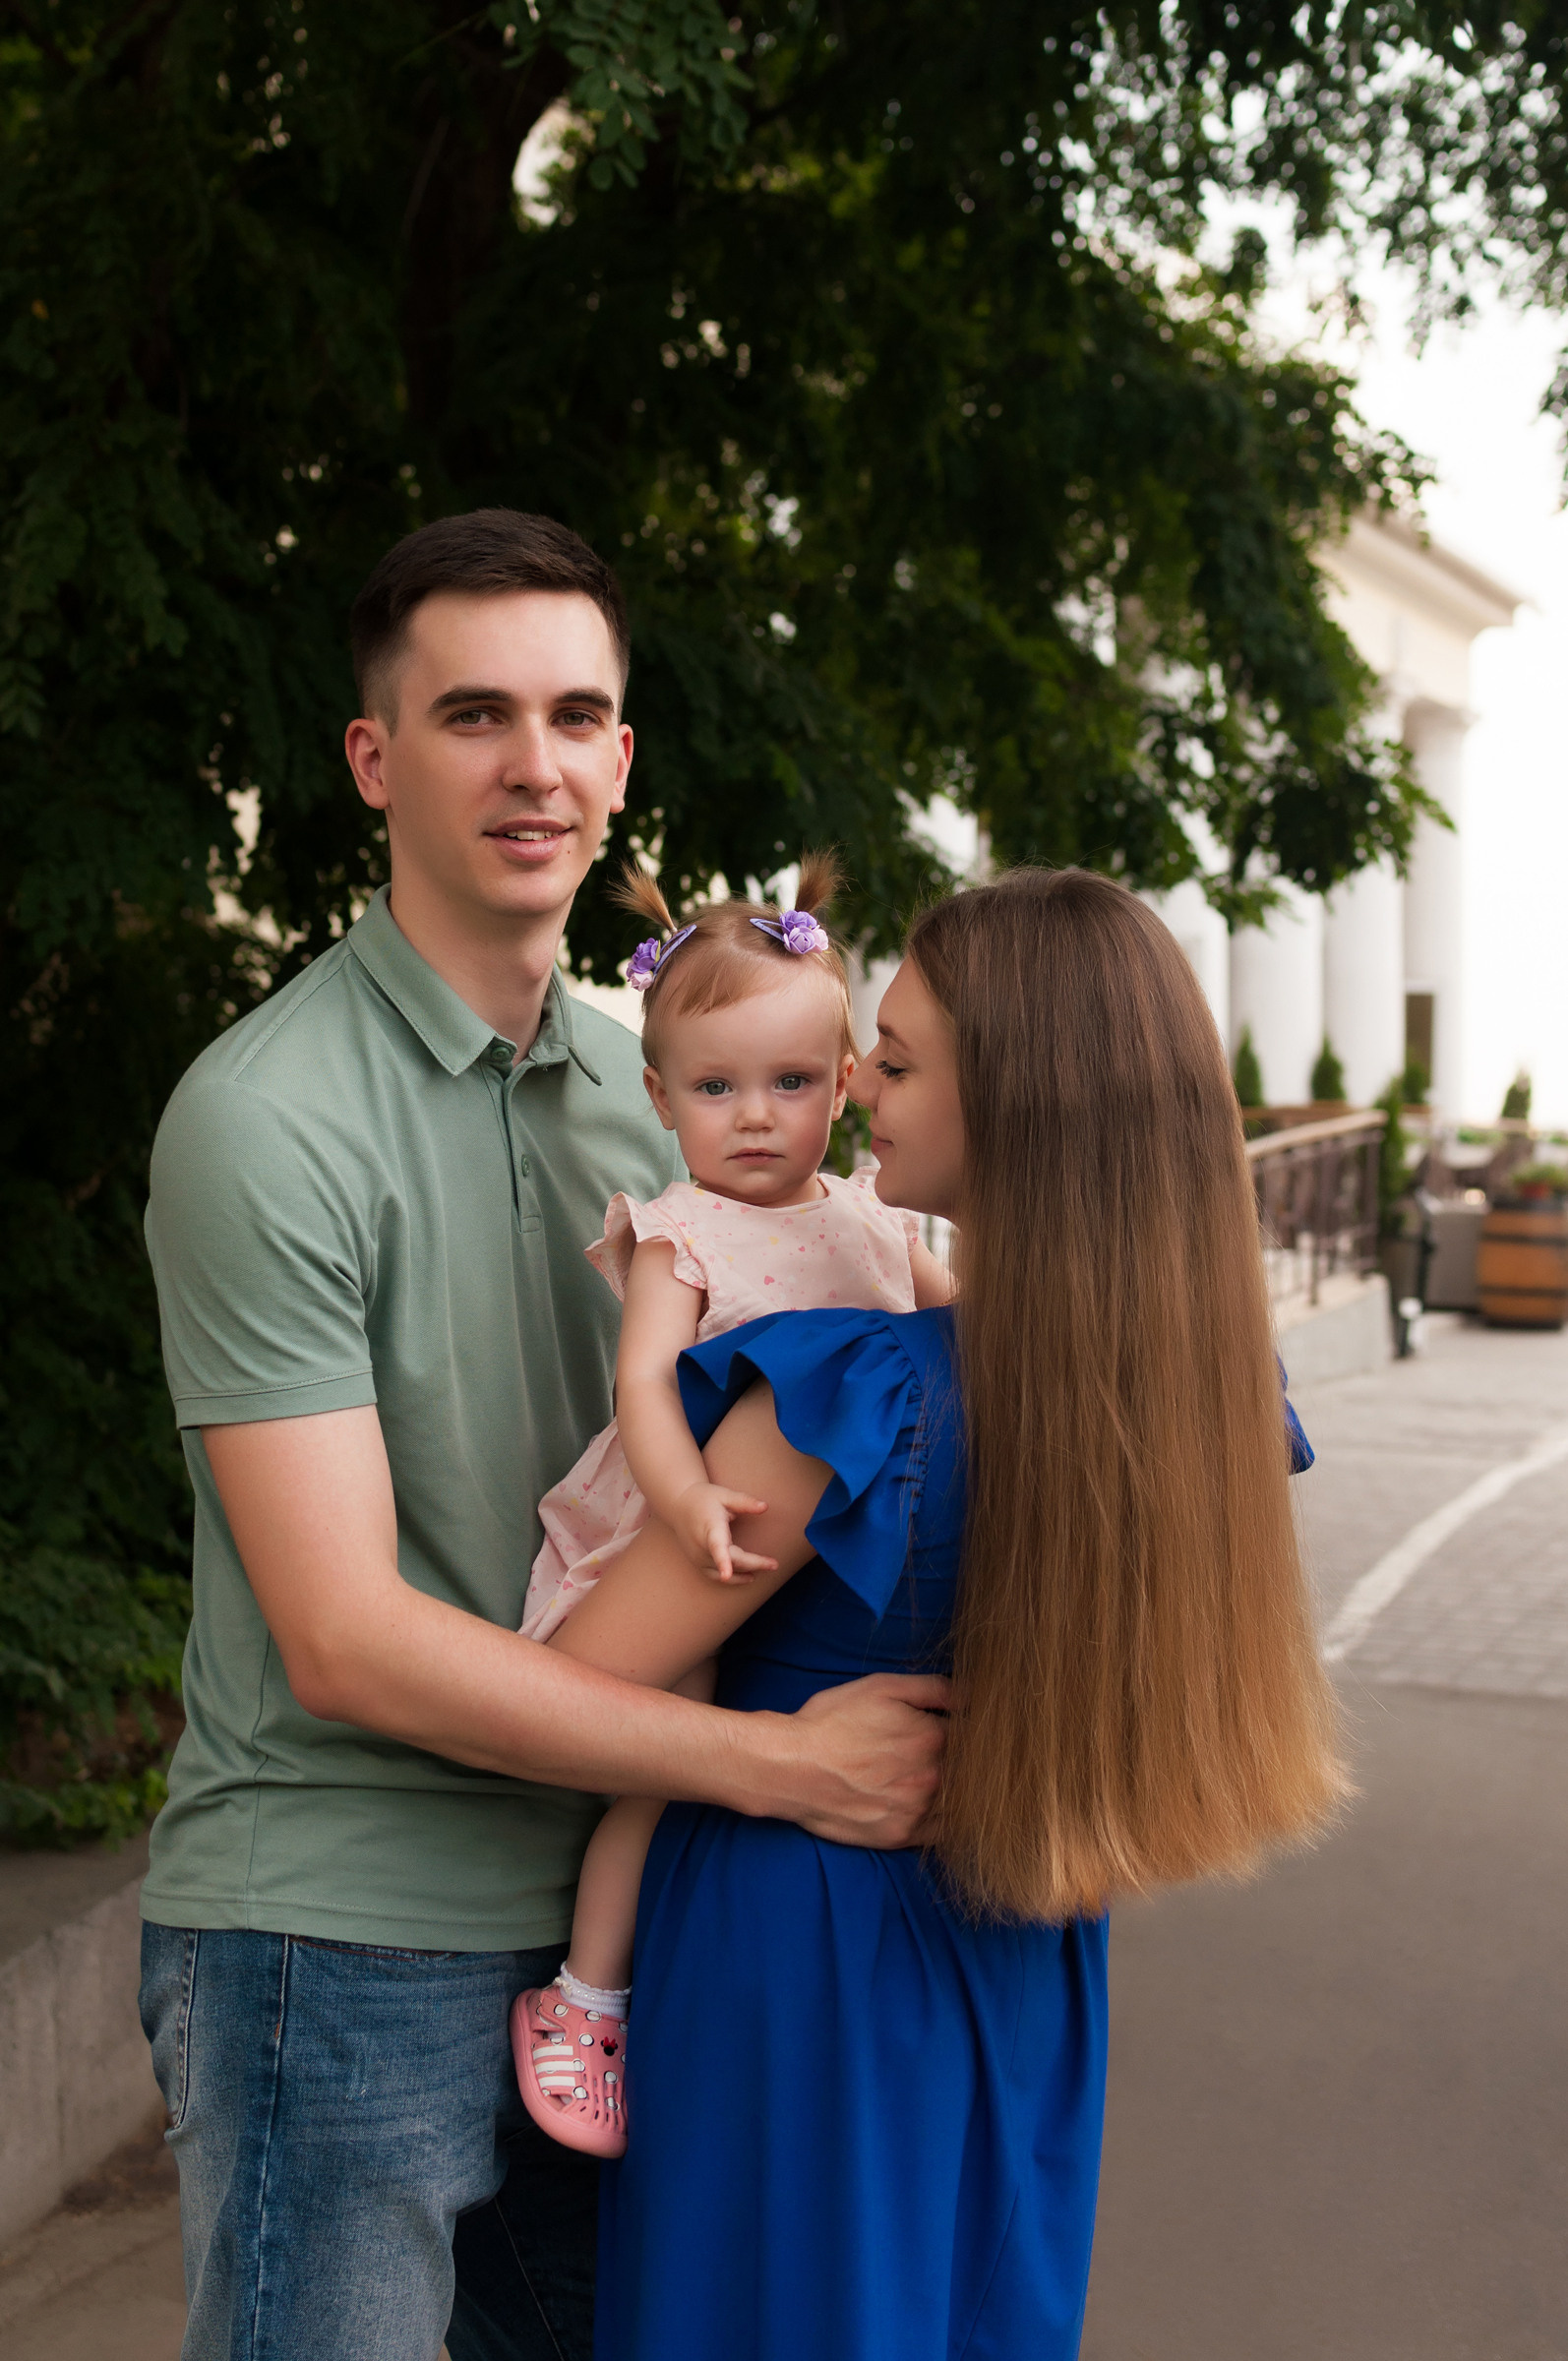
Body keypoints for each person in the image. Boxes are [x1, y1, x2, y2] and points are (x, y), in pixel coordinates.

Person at [136, 509, 947, 2361]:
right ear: (373, 758)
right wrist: (782, 1773)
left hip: (622, 1920)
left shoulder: (676, 1097)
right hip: (337, 1932)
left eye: (577, 717)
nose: (535, 766)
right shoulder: (262, 1121)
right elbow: (340, 1642)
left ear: (621, 758)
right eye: (474, 715)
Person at [539, 866, 1340, 2361]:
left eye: (895, 1064)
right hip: (1022, 1936)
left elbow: (575, 1695)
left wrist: (767, 1756)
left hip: (802, 1950)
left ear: (1021, 1101)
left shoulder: (854, 1398)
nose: (858, 1095)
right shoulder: (1201, 1401)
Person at [511, 854, 951, 2154]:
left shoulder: (874, 1218)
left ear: (844, 1086)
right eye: (714, 1088)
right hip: (672, 1521)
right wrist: (688, 1495)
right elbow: (643, 1383)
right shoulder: (679, 1234)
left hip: (799, 1541)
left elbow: (959, 1323)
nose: (754, 1118)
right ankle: (584, 1996)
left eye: (792, 1084)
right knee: (662, 1749)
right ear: (657, 1096)